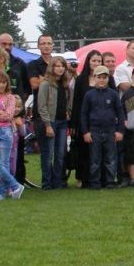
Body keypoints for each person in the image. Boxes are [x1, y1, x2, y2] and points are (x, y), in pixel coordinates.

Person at [71, 51, 114, 188]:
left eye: (99, 61)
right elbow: (76, 103)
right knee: (85, 151)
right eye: (93, 61)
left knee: (104, 153)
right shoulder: (81, 79)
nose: (96, 63)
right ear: (88, 62)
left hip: (104, 123)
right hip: (85, 122)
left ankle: (103, 179)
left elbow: (114, 102)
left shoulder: (109, 79)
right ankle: (84, 179)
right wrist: (74, 123)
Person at [81, 66, 125, 189]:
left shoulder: (113, 94)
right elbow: (84, 114)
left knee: (111, 159)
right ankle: (95, 182)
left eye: (104, 77)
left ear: (108, 78)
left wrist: (120, 130)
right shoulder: (89, 95)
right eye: (99, 77)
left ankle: (110, 182)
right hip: (94, 131)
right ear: (94, 78)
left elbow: (120, 113)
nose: (101, 80)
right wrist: (85, 132)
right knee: (95, 160)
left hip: (110, 131)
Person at [0, 70, 25, 200]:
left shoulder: (10, 97)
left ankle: (2, 193)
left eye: (3, 82)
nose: (1, 85)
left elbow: (9, 115)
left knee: (4, 163)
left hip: (6, 132)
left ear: (7, 83)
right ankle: (15, 185)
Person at [36, 56, 72, 189]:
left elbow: (67, 101)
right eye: (57, 66)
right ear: (52, 67)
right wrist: (47, 125)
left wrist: (68, 111)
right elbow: (41, 106)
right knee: (48, 154)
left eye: (62, 66)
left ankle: (58, 182)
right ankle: (46, 183)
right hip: (50, 122)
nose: (60, 68)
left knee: (60, 154)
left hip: (62, 122)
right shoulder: (46, 84)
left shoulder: (64, 84)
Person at [27, 34, 54, 182]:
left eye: (49, 43)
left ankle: (58, 180)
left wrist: (43, 79)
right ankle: (47, 181)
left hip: (58, 112)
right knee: (46, 151)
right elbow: (34, 85)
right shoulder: (33, 65)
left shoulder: (57, 63)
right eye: (43, 43)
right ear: (38, 46)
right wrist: (52, 78)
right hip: (40, 113)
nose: (46, 46)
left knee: (59, 151)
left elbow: (63, 83)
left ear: (52, 45)